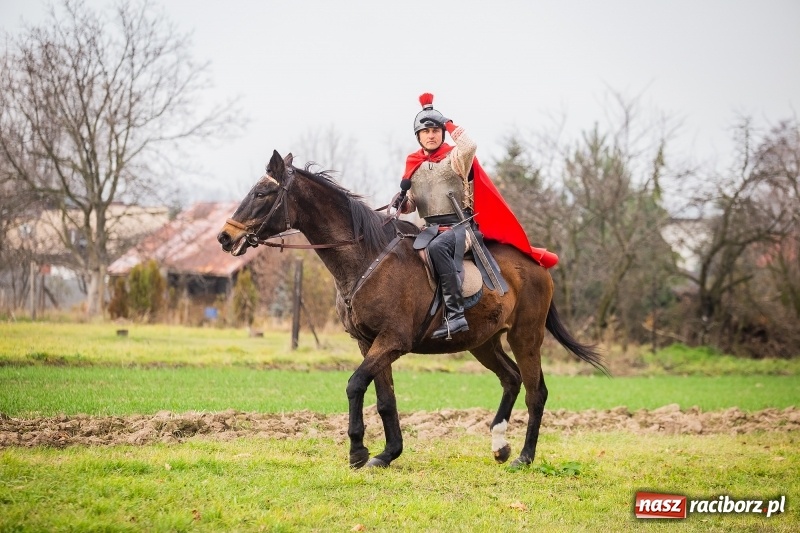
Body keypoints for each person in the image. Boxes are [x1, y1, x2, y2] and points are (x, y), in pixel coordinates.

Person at [394, 92, 559, 340]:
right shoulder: (414, 165)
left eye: (435, 130)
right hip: (428, 228)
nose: (431, 135)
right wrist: (403, 204)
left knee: (439, 249)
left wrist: (448, 123)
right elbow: (414, 204)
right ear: (418, 136)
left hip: (461, 229)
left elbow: (469, 145)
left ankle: (456, 315)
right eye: (426, 131)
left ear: (442, 132)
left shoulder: (456, 158)